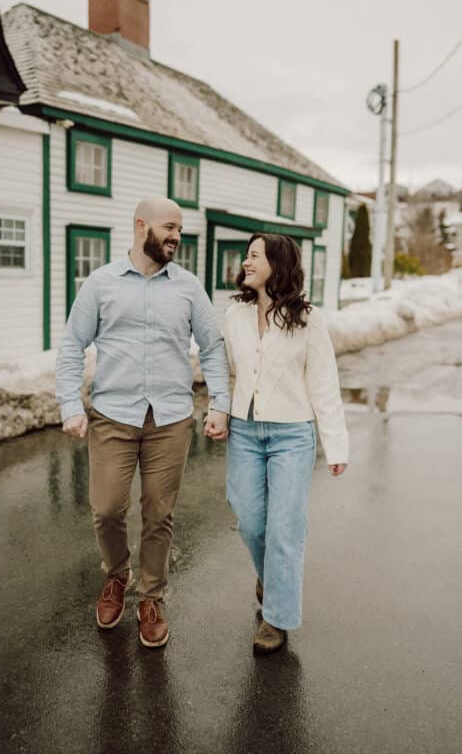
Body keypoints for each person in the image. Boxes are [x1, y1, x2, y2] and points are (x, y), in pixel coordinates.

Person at [56, 197, 230, 648]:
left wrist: (220, 402)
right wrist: (70, 404)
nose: (176, 236)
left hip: (170, 418)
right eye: (169, 227)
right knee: (107, 509)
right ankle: (117, 574)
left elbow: (212, 346)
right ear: (140, 226)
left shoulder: (188, 287)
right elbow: (73, 344)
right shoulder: (102, 283)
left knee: (159, 513)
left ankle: (151, 596)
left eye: (179, 229)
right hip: (113, 416)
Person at [222, 233, 349, 655]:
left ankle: (276, 618)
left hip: (292, 435)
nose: (246, 262)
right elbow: (227, 368)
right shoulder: (235, 314)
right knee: (250, 521)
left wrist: (335, 444)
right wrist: (219, 410)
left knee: (284, 529)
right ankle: (272, 577)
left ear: (278, 264)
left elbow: (324, 383)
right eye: (247, 255)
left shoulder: (308, 320)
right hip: (245, 430)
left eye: (255, 256)